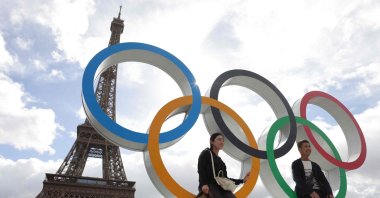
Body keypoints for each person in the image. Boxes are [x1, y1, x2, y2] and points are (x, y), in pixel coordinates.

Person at [197, 132, 250, 198]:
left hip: (221, 188)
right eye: (219, 139)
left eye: (223, 141)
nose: (222, 142)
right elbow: (201, 169)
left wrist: (242, 180)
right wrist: (203, 184)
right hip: (210, 186)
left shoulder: (221, 162)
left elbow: (225, 179)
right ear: (212, 142)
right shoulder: (206, 153)